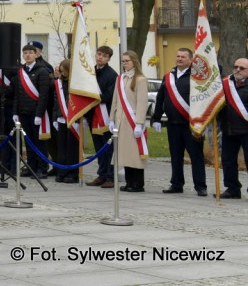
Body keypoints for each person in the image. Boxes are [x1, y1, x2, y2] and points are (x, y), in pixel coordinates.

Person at [152, 47, 208, 196]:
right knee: (176, 156)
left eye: (183, 57)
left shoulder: (196, 77)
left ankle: (200, 186)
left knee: (196, 156)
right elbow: (160, 99)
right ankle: (176, 184)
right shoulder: (168, 76)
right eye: (178, 56)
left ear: (190, 60)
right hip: (173, 124)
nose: (180, 59)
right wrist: (156, 118)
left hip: (191, 124)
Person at [109, 50, 149, 192]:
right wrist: (111, 119)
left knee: (135, 155)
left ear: (134, 62)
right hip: (121, 121)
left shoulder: (140, 79)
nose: (125, 63)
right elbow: (115, 100)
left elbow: (142, 102)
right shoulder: (120, 79)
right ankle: (129, 182)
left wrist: (139, 123)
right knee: (125, 154)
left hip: (132, 121)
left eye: (127, 61)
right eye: (123, 61)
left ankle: (138, 183)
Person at [16, 41, 53, 179]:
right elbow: (17, 94)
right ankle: (31, 166)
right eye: (25, 53)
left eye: (30, 53)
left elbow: (44, 95)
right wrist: (15, 112)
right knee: (28, 141)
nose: (28, 55)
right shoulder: (21, 71)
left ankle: (42, 168)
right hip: (24, 112)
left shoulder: (42, 71)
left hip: (37, 113)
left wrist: (39, 114)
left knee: (39, 142)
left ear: (36, 55)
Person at [86, 46, 118, 188]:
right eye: (99, 54)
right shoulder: (89, 72)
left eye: (104, 56)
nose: (100, 57)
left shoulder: (112, 75)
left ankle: (110, 176)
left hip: (106, 115)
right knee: (98, 147)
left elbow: (110, 96)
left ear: (109, 59)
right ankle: (101, 174)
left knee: (108, 148)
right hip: (93, 114)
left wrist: (93, 99)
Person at [219, 58, 248, 199]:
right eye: (236, 67)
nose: (238, 70)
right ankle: (232, 188)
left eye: (242, 68)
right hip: (229, 128)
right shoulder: (225, 84)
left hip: (246, 129)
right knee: (228, 160)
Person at [52, 59, 79, 183]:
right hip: (61, 118)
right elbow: (56, 102)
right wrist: (55, 118)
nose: (61, 73)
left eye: (63, 71)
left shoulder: (76, 83)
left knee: (71, 148)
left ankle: (72, 172)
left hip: (73, 119)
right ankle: (61, 171)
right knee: (61, 147)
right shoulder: (59, 83)